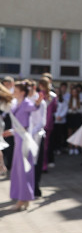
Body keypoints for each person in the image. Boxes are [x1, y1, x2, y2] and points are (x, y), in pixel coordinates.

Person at [8, 81, 43, 211]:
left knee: (23, 169)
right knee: (18, 169)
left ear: (22, 92)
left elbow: (35, 107)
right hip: (18, 138)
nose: (14, 93)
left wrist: (38, 102)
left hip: (24, 140)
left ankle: (22, 199)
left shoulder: (27, 103)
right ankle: (25, 198)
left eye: (16, 91)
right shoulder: (16, 103)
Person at [66, 83, 82, 155]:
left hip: (77, 116)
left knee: (76, 133)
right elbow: (66, 110)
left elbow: (81, 110)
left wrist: (76, 109)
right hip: (71, 116)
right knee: (70, 133)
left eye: (75, 92)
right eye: (73, 92)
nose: (74, 93)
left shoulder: (79, 100)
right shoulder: (69, 100)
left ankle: (76, 147)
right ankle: (70, 147)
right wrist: (71, 109)